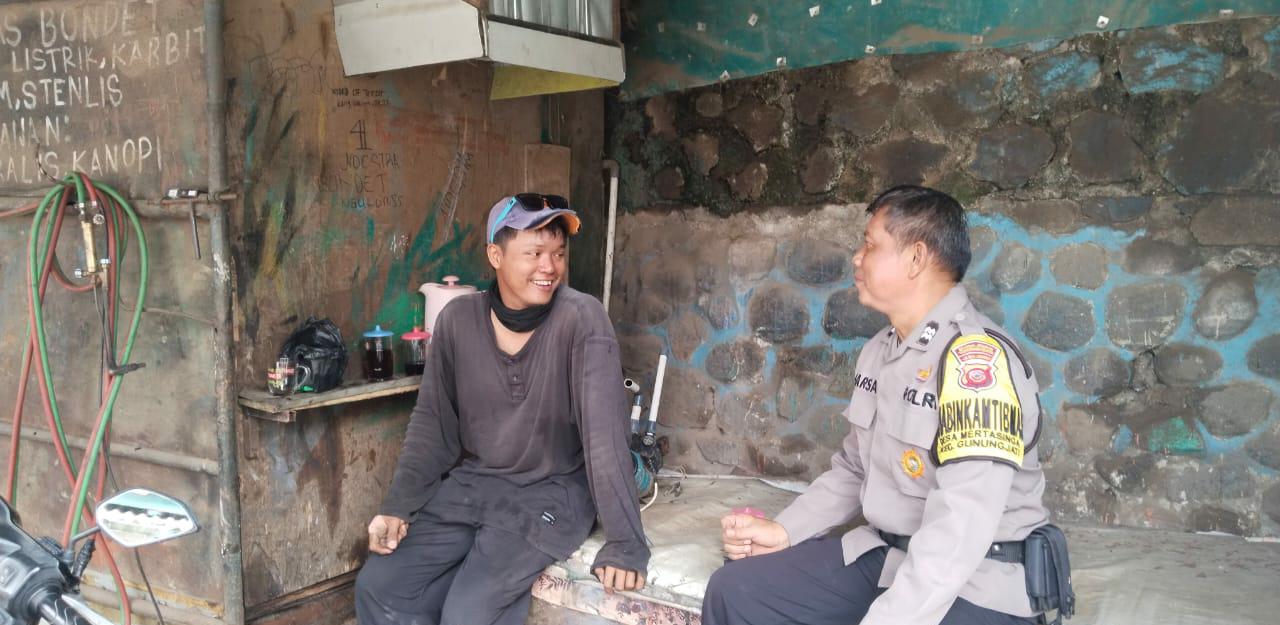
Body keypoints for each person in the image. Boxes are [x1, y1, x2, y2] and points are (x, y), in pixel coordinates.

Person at [703, 185, 1051, 625]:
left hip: (977, 579)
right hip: (888, 556)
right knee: (736, 591)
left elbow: (961, 529)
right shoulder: (880, 352)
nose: (857, 258)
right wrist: (785, 531)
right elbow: (855, 469)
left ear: (916, 258)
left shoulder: (975, 363)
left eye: (870, 245)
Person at [355, 193, 649, 625]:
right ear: (496, 255)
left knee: (468, 612)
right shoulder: (457, 321)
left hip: (552, 493)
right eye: (534, 253)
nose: (549, 267)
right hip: (476, 487)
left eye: (558, 254)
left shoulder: (581, 319)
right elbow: (433, 425)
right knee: (381, 587)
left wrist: (625, 542)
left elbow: (605, 437)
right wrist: (398, 505)